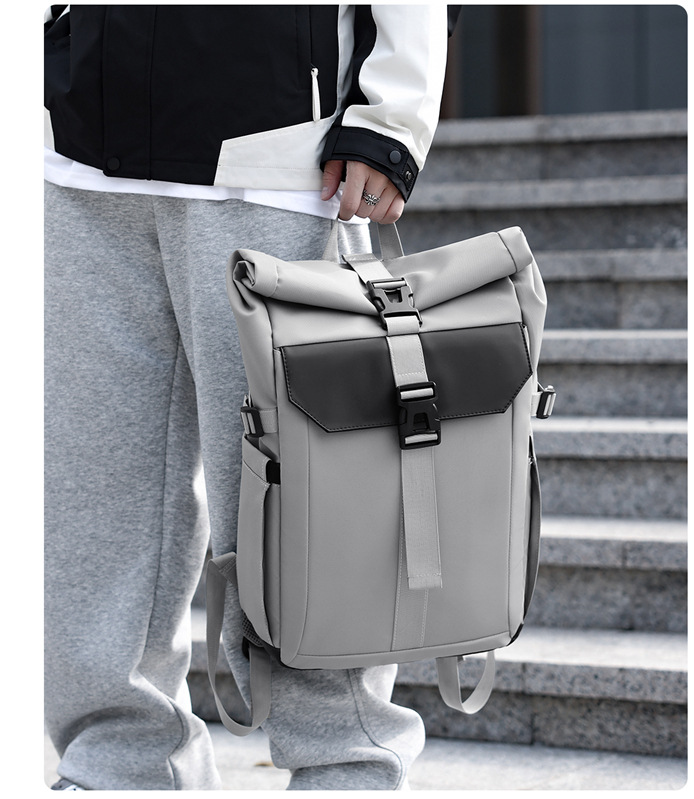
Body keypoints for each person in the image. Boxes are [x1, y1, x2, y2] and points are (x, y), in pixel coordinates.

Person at [44, 5, 460, 791]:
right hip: (81, 152)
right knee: (92, 491)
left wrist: (390, 115)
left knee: (310, 491)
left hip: (280, 153)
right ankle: (118, 764)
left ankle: (346, 763)